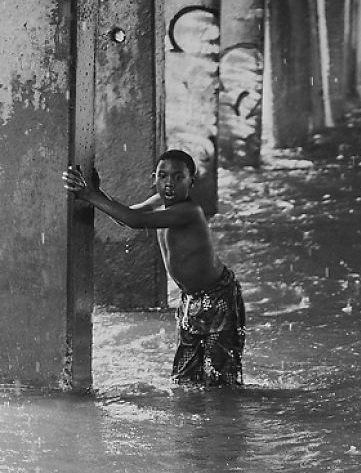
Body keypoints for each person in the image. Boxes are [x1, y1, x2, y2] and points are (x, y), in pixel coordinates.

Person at [63, 151, 245, 388]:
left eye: (178, 177)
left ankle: (226, 422)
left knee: (221, 379)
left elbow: (135, 221)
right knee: (186, 379)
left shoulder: (189, 212)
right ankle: (196, 421)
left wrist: (91, 195)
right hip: (192, 300)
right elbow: (126, 216)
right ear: (154, 178)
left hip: (218, 298)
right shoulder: (160, 202)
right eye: (163, 176)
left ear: (192, 181)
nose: (169, 183)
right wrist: (98, 193)